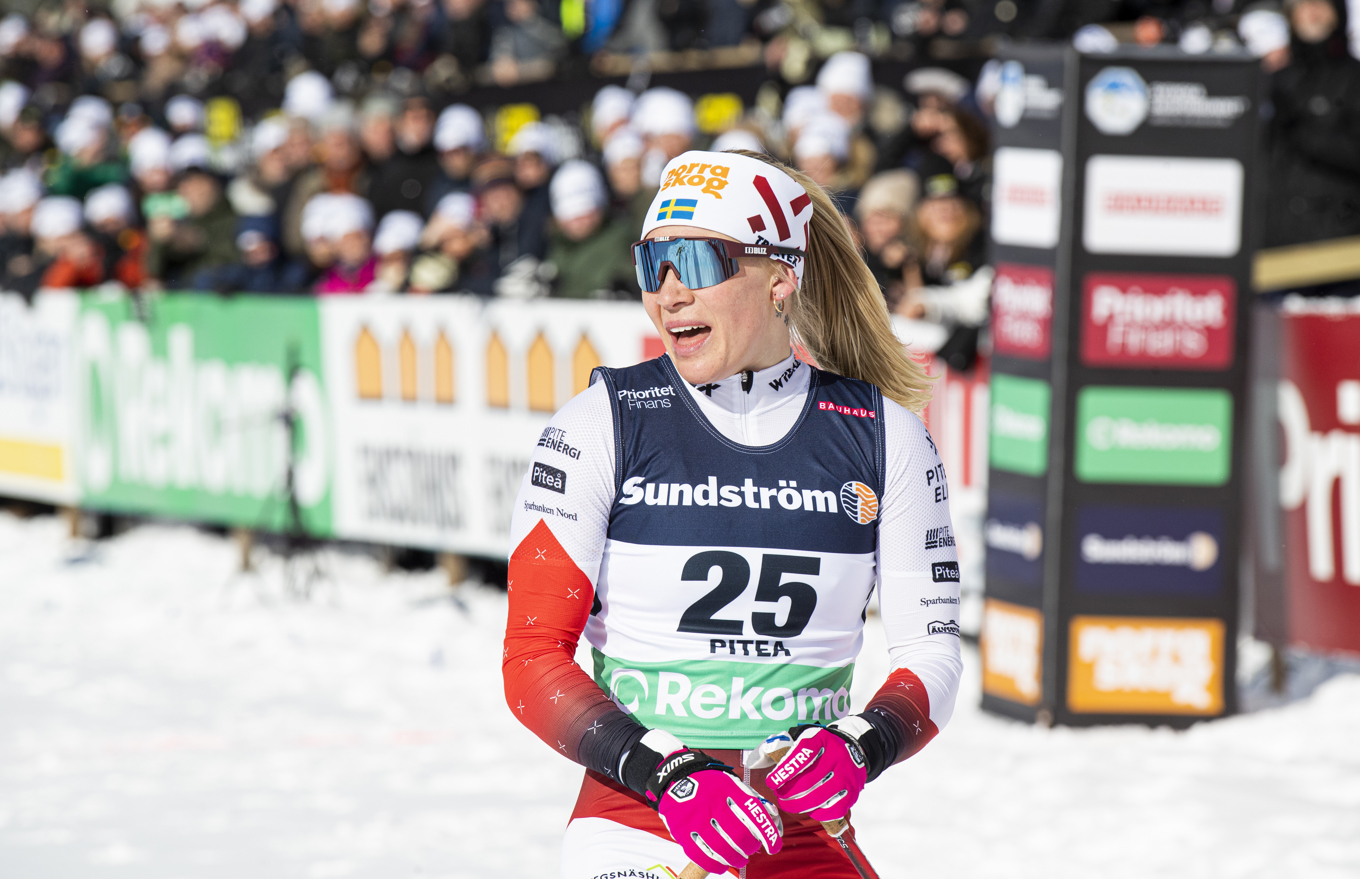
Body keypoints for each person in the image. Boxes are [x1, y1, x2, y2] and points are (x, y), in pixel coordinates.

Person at [503, 149, 960, 877]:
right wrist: (669, 772)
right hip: (642, 814)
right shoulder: (601, 424)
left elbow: (931, 652)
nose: (670, 293)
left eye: (698, 260)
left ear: (780, 276)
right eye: (654, 264)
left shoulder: (883, 432)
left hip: (801, 825)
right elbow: (531, 659)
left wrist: (862, 741)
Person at [544, 159, 638, 299]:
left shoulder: (622, 240)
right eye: (570, 214)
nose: (578, 220)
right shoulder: (555, 246)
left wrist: (626, 286)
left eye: (585, 211)